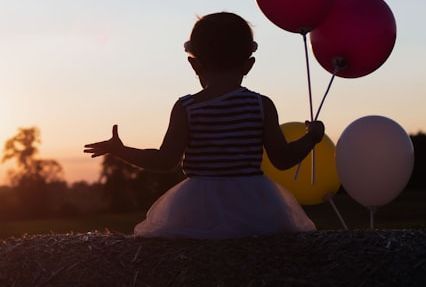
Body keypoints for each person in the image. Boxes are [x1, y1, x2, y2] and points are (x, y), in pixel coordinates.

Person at [84, 12, 323, 239]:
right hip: (254, 205)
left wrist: (120, 150)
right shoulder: (261, 105)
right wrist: (311, 137)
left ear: (194, 65)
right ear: (249, 65)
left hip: (197, 208)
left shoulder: (186, 108)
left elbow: (165, 161)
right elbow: (282, 159)